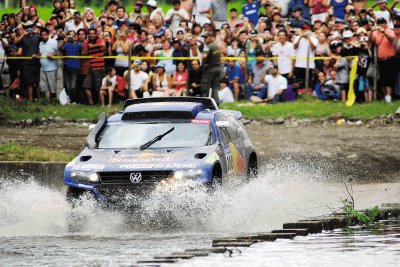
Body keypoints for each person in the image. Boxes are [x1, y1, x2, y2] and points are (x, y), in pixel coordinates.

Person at [371, 17, 396, 103]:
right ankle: (385, 96)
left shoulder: (390, 31)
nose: (381, 25)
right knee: (382, 79)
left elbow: (393, 40)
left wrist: (384, 33)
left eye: (382, 23)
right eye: (379, 23)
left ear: (385, 24)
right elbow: (371, 41)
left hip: (389, 58)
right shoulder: (375, 33)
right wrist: (371, 31)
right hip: (380, 59)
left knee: (389, 78)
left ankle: (389, 96)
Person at [83, 28, 106, 105]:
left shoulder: (99, 40)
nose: (91, 35)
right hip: (91, 67)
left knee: (98, 88)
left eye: (93, 33)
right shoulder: (86, 42)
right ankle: (91, 103)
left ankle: (100, 103)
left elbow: (103, 45)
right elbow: (86, 54)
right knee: (86, 86)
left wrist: (93, 46)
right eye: (90, 33)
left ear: (96, 34)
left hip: (99, 68)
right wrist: (86, 46)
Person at [61, 30, 81, 103]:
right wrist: (64, 41)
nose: (71, 37)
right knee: (68, 87)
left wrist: (77, 40)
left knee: (73, 86)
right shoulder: (66, 44)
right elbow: (60, 49)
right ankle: (70, 100)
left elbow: (83, 51)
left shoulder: (78, 44)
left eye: (73, 35)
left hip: (75, 68)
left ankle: (75, 100)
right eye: (70, 35)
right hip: (67, 67)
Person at [201, 32, 221, 103]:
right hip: (217, 68)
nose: (204, 39)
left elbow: (204, 56)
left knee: (205, 88)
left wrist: (202, 64)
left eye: (206, 37)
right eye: (204, 37)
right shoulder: (216, 46)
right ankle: (216, 103)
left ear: (210, 37)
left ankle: (204, 104)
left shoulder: (208, 46)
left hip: (209, 69)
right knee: (215, 88)